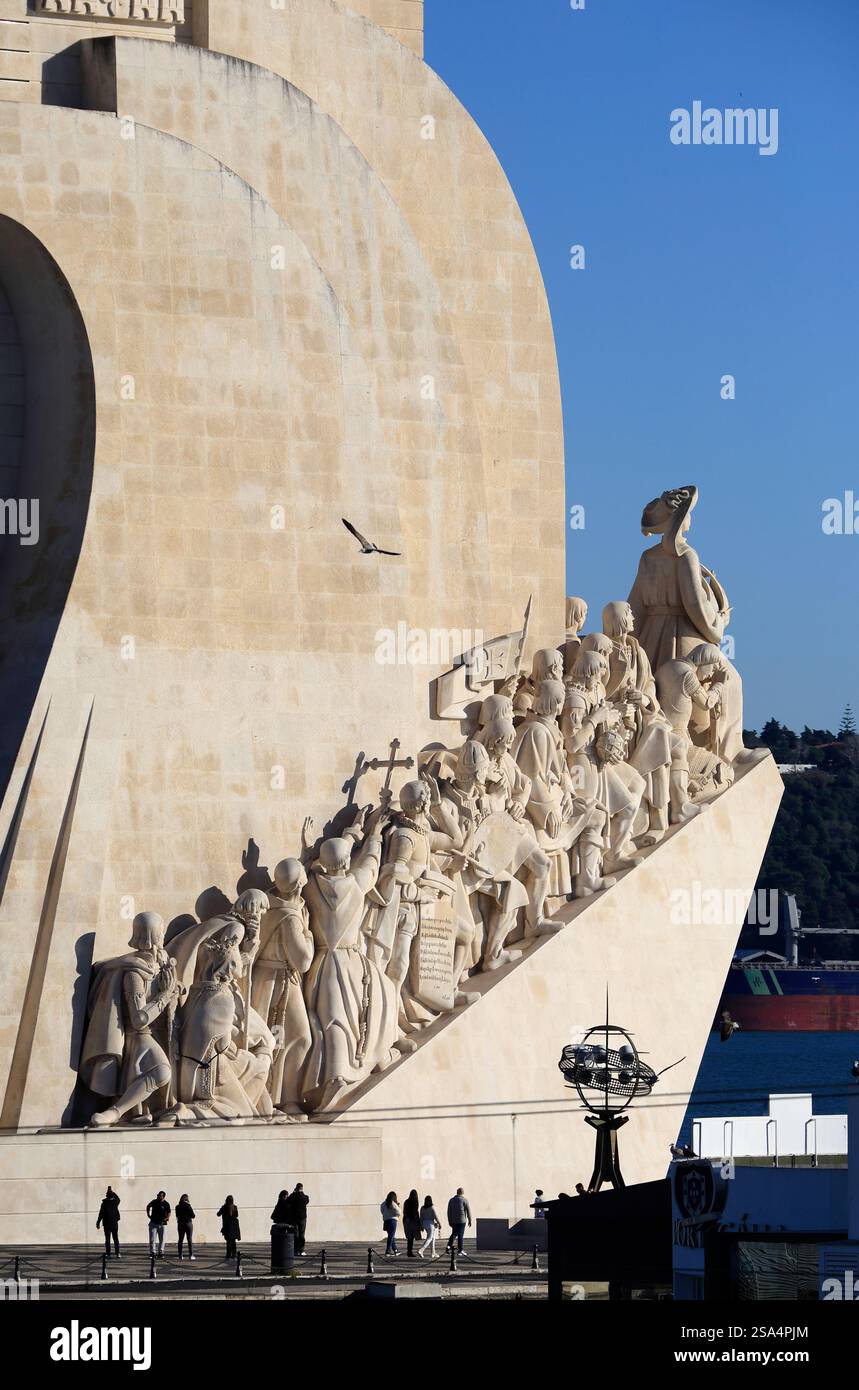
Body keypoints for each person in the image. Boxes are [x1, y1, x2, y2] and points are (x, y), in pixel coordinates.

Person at [96, 1186, 121, 1259]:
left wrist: (98, 1222)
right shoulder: (115, 1202)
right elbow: (118, 1198)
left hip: (107, 1224)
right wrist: (112, 1191)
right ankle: (117, 1253)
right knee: (115, 1238)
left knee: (108, 1239)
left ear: (106, 1196)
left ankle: (108, 1253)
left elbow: (101, 1213)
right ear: (112, 1195)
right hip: (114, 1223)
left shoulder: (104, 1203)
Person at [446, 1187, 472, 1256]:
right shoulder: (464, 1200)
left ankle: (448, 1247)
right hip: (462, 1220)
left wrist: (449, 1220)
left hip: (454, 1221)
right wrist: (470, 1220)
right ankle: (460, 1250)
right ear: (462, 1193)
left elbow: (449, 1212)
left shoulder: (451, 1200)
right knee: (460, 1235)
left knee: (454, 1234)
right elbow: (468, 1211)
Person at [146, 1191, 171, 1258]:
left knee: (162, 1239)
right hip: (153, 1223)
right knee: (152, 1239)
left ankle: (161, 1252)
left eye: (160, 1195)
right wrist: (148, 1215)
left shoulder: (166, 1204)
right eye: (158, 1195)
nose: (158, 1196)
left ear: (163, 1196)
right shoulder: (154, 1202)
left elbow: (169, 1212)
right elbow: (148, 1206)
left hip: (162, 1224)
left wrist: (167, 1218)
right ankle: (153, 1253)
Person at [217, 1195, 241, 1260]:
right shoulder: (235, 1207)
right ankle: (234, 1254)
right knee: (233, 1241)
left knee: (228, 1241)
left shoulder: (224, 1207)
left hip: (227, 1225)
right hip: (234, 1225)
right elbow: (237, 1215)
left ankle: (228, 1254)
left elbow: (218, 1214)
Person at [417, 1196, 441, 1260]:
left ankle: (433, 1252)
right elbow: (436, 1217)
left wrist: (421, 1225)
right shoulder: (432, 1208)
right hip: (430, 1224)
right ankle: (421, 1250)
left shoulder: (422, 1208)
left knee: (432, 1238)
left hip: (424, 1223)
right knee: (430, 1238)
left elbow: (421, 1217)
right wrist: (439, 1223)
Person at [289, 1182, 309, 1256]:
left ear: (296, 1188)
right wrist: (301, 1192)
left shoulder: (293, 1196)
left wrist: (294, 1192)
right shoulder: (305, 1197)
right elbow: (307, 1200)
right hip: (303, 1218)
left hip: (294, 1218)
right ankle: (302, 1250)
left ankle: (296, 1250)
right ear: (302, 1188)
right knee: (302, 1234)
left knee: (296, 1234)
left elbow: (288, 1200)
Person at [176, 1193, 196, 1261]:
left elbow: (177, 1216)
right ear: (186, 1199)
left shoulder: (177, 1207)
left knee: (180, 1239)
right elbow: (193, 1215)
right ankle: (191, 1255)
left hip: (180, 1224)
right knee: (189, 1239)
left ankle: (180, 1255)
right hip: (188, 1223)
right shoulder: (188, 1206)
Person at [402, 1189, 422, 1257]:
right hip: (413, 1221)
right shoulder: (415, 1202)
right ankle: (409, 1252)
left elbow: (404, 1211)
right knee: (412, 1238)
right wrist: (419, 1223)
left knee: (409, 1238)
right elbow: (416, 1213)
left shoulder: (406, 1201)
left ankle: (409, 1251)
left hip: (407, 1221)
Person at [380, 1191, 399, 1257]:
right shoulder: (393, 1203)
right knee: (391, 1236)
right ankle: (388, 1251)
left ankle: (395, 1250)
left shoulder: (383, 1204)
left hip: (386, 1220)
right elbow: (398, 1212)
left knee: (391, 1235)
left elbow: (382, 1211)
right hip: (393, 1221)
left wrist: (386, 1215)